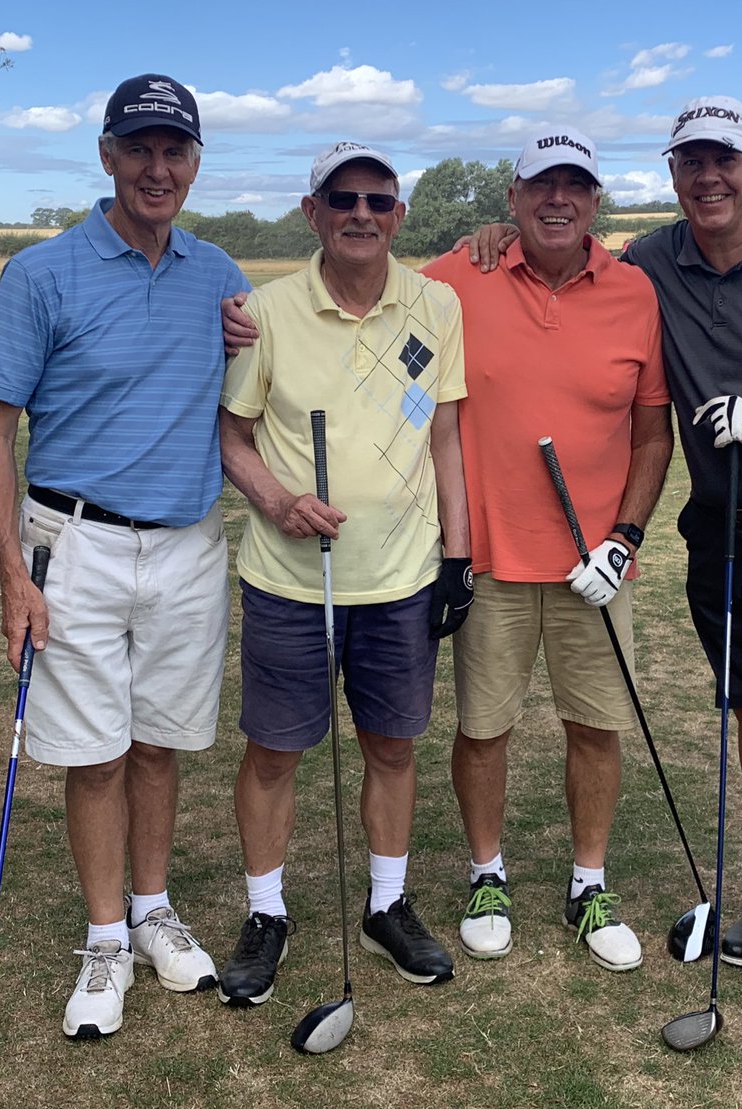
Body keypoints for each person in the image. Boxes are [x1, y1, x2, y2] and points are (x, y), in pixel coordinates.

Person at [464, 95, 742, 1010]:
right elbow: (561, 257)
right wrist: (491, 237)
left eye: (724, 159)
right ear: (671, 174)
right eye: (691, 162)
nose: (709, 177)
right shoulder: (651, 262)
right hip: (722, 525)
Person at [0, 73, 251, 1039]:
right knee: (93, 754)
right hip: (74, 541)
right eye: (138, 149)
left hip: (187, 543)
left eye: (174, 151)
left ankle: (151, 908)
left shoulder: (219, 276)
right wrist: (13, 575)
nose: (156, 169)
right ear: (106, 155)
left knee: (159, 742)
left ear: (195, 163)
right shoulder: (41, 273)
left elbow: (250, 394)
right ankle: (103, 938)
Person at [215, 141, 470, 1007]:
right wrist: (278, 500)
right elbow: (233, 437)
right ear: (313, 211)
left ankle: (386, 904)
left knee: (392, 745)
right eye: (343, 198)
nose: (362, 213)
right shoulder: (266, 313)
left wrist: (459, 555)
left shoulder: (436, 305)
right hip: (291, 579)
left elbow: (445, 438)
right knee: (276, 751)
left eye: (378, 200)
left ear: (399, 216)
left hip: (401, 577)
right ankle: (266, 912)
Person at [423, 128, 673, 970]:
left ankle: (588, 882)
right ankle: (486, 873)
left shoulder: (635, 291)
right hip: (490, 557)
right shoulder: (461, 275)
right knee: (482, 728)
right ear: (513, 199)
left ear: (596, 201)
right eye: (540, 185)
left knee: (596, 727)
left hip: (594, 565)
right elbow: (370, 295)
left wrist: (624, 540)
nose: (557, 199)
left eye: (574, 185)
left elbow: (652, 434)